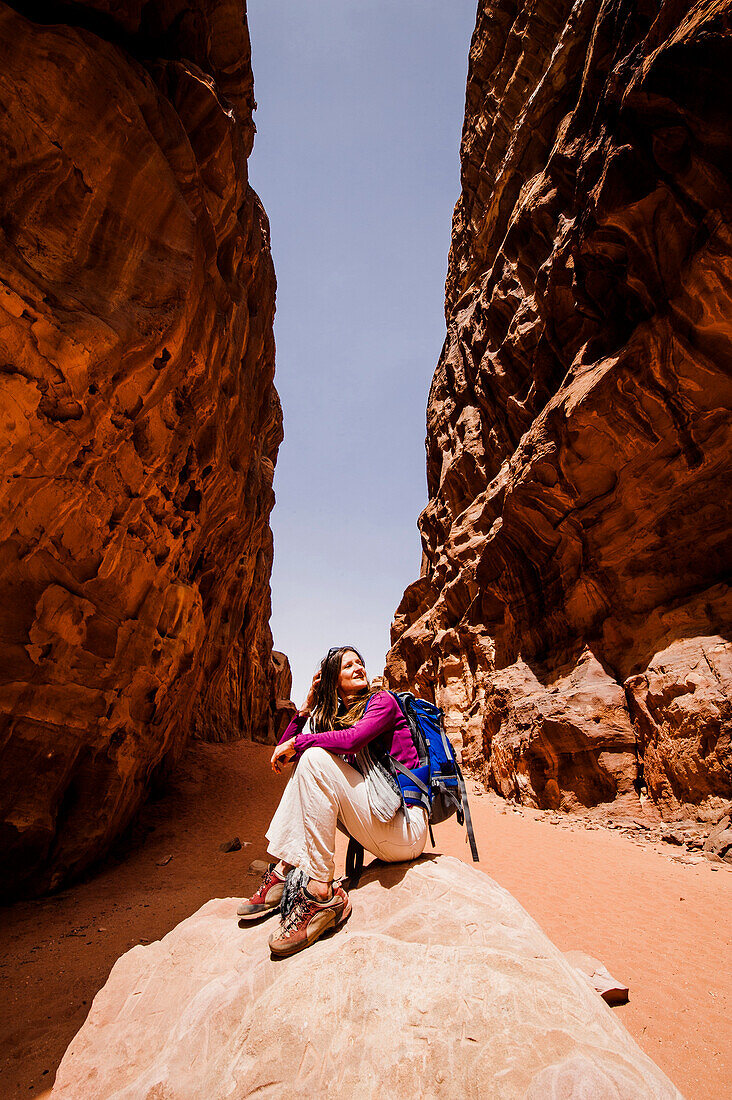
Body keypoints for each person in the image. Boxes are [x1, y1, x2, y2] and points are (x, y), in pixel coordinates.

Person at [237, 645, 428, 956]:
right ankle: (283, 872)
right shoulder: (339, 717)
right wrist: (307, 706)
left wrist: (300, 743)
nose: (358, 668)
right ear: (333, 682)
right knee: (309, 761)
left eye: (359, 663)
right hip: (379, 826)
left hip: (406, 829)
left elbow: (350, 740)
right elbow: (290, 752)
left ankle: (321, 894)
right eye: (347, 665)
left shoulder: (383, 702)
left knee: (313, 757)